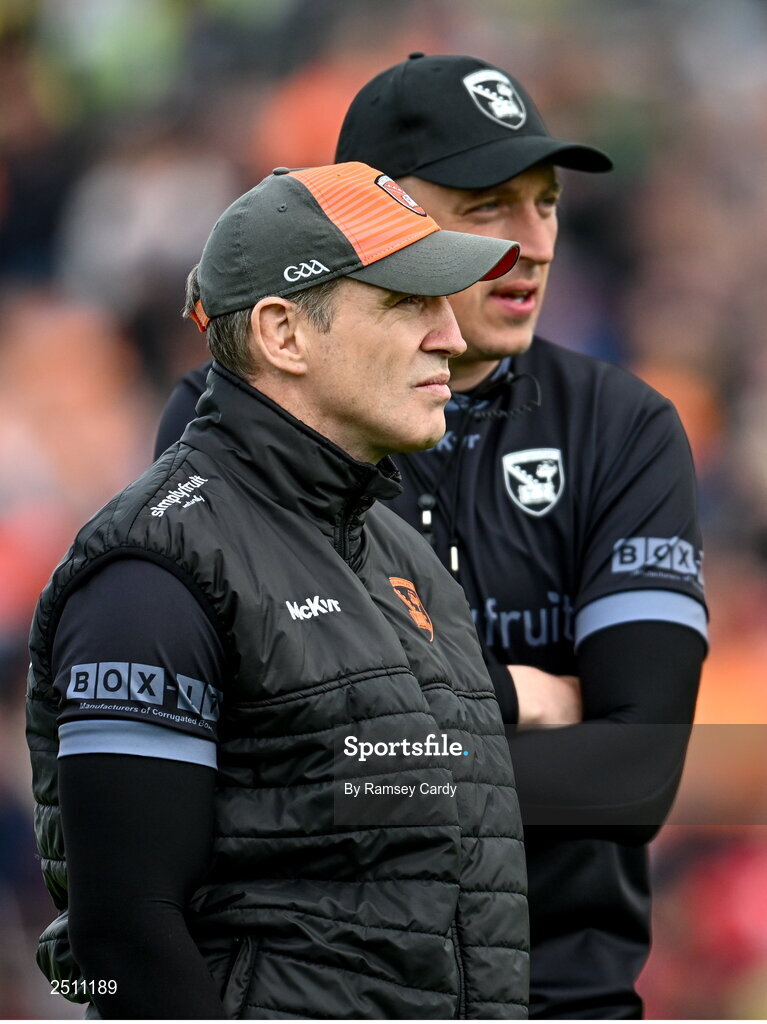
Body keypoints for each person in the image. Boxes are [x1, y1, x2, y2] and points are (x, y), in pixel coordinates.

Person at [156, 55, 709, 1020]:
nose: (532, 244)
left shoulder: (623, 427)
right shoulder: (229, 420)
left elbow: (633, 779)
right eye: (486, 205)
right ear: (367, 225)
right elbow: (239, 763)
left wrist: (361, 764)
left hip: (560, 995)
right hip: (313, 993)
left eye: (545, 203)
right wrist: (509, 697)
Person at [26, 161, 530, 1020]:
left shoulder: (407, 560)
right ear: (282, 334)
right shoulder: (154, 570)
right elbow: (117, 942)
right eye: (409, 303)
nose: (451, 336)